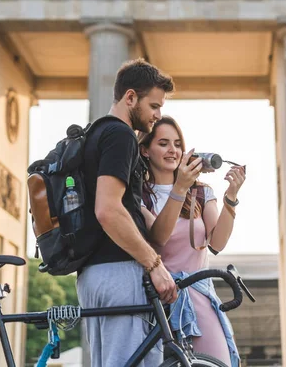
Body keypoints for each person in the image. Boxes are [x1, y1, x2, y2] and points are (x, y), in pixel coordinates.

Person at [77, 59, 177, 367]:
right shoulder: (120, 135)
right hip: (120, 272)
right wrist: (154, 264)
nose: (158, 115)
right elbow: (108, 209)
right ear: (130, 97)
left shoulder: (93, 134)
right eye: (154, 105)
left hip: (93, 274)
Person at [139, 116, 246, 366]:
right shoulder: (139, 196)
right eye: (163, 143)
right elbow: (158, 238)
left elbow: (217, 243)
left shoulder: (200, 191)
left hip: (198, 296)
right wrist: (179, 188)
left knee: (215, 361)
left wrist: (231, 196)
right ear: (145, 150)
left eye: (177, 144)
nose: (173, 150)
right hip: (159, 298)